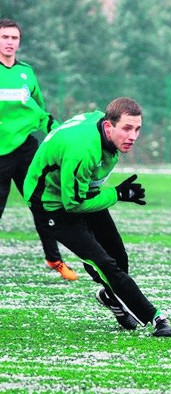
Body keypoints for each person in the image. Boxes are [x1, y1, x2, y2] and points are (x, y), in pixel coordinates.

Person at [23, 97, 171, 337]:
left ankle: (110, 296)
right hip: (52, 207)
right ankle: (155, 316)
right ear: (108, 126)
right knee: (103, 263)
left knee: (118, 255)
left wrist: (116, 194)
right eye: (126, 128)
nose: (133, 136)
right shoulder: (84, 150)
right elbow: (72, 204)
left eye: (137, 129)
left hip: (81, 195)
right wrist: (116, 194)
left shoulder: (100, 128)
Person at [0, 18, 77, 280]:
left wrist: (63, 132)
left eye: (14, 38)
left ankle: (54, 259)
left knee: (41, 204)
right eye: (5, 37)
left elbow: (40, 112)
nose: (10, 42)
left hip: (26, 150)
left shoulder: (26, 73)